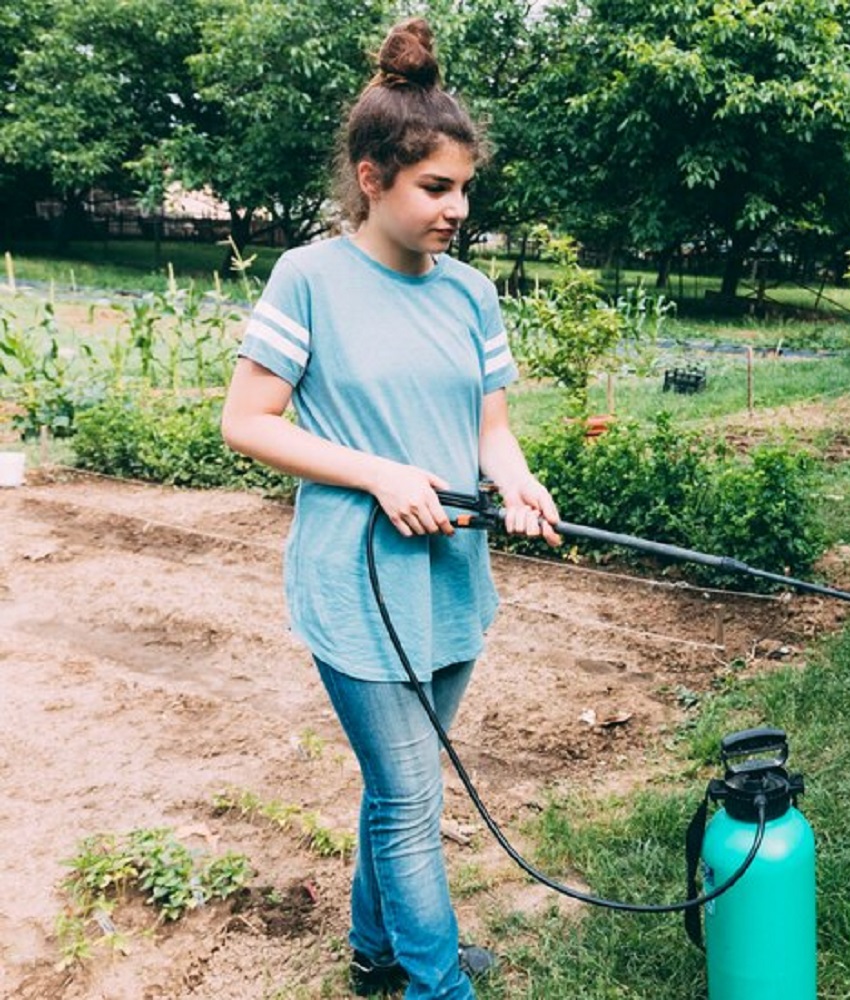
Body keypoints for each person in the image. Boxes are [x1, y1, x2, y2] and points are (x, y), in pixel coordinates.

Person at [221, 17, 560, 999]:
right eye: (435, 188)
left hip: (452, 579)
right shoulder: (310, 279)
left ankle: (379, 950)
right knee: (412, 797)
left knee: (396, 788)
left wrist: (517, 480)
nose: (457, 208)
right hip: (355, 582)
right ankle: (434, 980)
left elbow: (490, 429)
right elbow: (247, 421)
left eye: (464, 189)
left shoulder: (470, 295)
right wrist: (379, 472)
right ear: (372, 178)